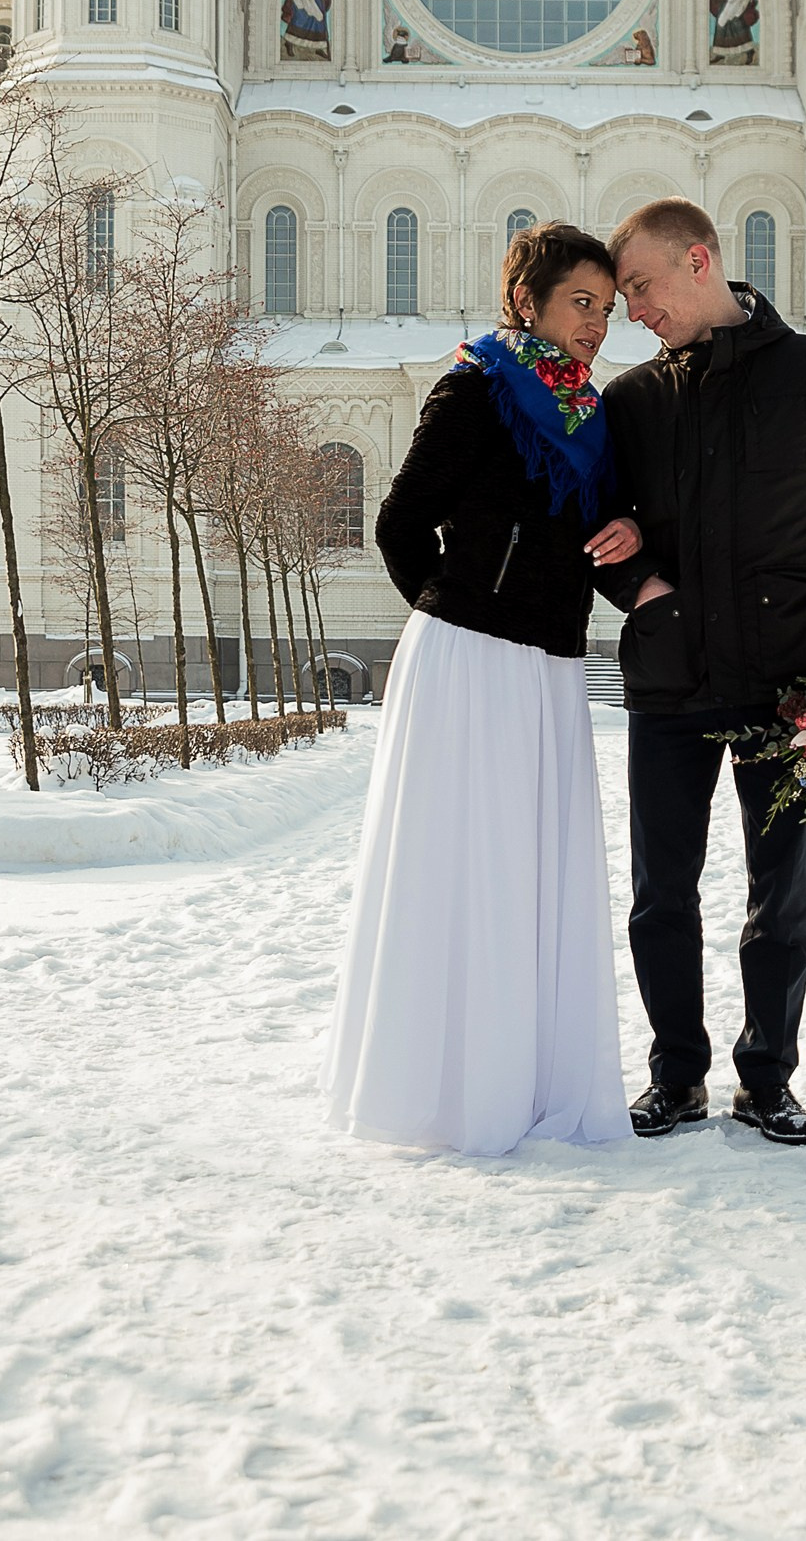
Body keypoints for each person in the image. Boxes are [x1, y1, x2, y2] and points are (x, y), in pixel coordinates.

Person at [324, 224, 646, 1158]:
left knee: (530, 869)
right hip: (470, 661)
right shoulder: (477, 386)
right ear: (528, 303)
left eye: (606, 308)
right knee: (464, 865)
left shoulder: (587, 417)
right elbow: (398, 524)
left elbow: (589, 537)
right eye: (579, 304)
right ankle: (448, 1093)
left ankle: (526, 1079)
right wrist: (454, 614)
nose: (596, 324)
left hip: (545, 668)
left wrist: (629, 540)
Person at [604, 198, 806, 1148]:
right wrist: (640, 584)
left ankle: (766, 1080)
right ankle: (676, 1078)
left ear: (699, 261)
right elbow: (599, 529)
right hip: (670, 683)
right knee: (662, 895)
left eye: (643, 288)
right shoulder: (629, 402)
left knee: (780, 898)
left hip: (792, 681)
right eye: (622, 299)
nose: (632, 312)